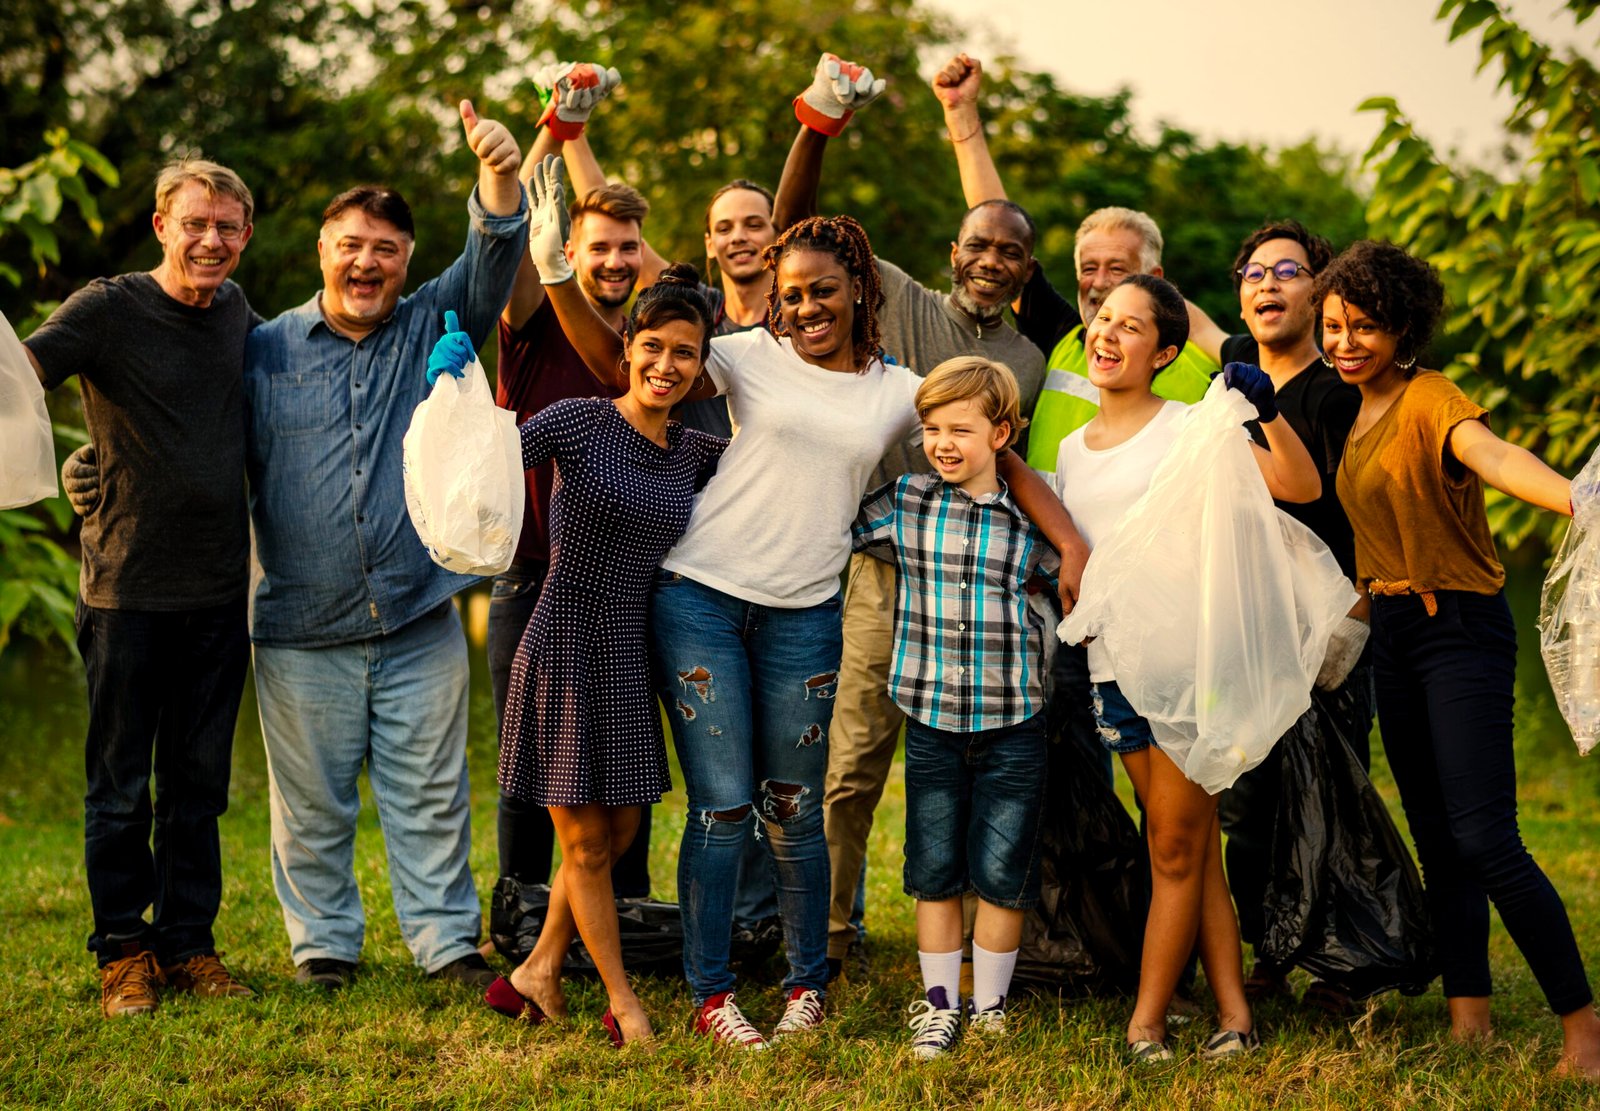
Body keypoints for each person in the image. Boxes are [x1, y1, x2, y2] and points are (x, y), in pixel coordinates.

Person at [522, 149, 1085, 1048]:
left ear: (860, 288)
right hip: (700, 597)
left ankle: (804, 983)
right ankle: (712, 995)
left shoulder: (901, 392)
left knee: (794, 806)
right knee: (722, 808)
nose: (806, 308)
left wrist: (1070, 540)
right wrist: (559, 274)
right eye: (790, 293)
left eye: (824, 290)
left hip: (807, 611)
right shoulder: (746, 358)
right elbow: (632, 363)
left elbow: (993, 448)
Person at [771, 50, 1049, 978]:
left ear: (1024, 268)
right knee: (848, 766)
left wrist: (1071, 544)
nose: (991, 260)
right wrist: (818, 122)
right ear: (955, 253)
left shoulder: (1034, 353)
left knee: (972, 777)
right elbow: (792, 233)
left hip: (978, 586)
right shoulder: (901, 301)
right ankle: (830, 937)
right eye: (978, 244)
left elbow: (1016, 468)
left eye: (1010, 249)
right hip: (886, 574)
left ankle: (976, 951)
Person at [243, 100, 527, 992]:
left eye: (387, 249)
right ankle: (323, 943)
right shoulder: (259, 349)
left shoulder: (433, 323)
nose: (367, 261)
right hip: (297, 621)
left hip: (417, 611)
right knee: (311, 804)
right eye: (351, 244)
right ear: (322, 249)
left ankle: (446, 941)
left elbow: (491, 253)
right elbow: (187, 438)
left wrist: (498, 170)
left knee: (432, 795)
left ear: (405, 263)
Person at [1322, 240, 1600, 1078]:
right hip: (1395, 632)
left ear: (1404, 327)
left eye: (1365, 326)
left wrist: (1580, 497)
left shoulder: (1430, 396)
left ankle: (1584, 1031)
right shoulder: (1352, 410)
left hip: (1460, 631)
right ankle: (1468, 1018)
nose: (1345, 342)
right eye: (1335, 325)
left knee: (1486, 837)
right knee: (1439, 838)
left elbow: (1496, 456)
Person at [429, 266, 726, 1047]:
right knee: (585, 843)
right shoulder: (574, 421)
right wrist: (455, 395)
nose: (666, 364)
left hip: (631, 649)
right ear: (626, 347)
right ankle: (624, 1003)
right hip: (560, 636)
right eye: (652, 345)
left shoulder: (698, 452)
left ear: (703, 364)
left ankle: (535, 971)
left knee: (621, 832)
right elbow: (478, 468)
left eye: (685, 353)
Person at [1053, 273, 1319, 1061]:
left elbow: (1299, 487)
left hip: (1188, 671)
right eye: (1104, 319)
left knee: (1171, 847)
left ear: (1165, 352)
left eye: (1132, 327)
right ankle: (1234, 1011)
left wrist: (1264, 409)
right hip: (1113, 673)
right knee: (1187, 845)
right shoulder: (1069, 448)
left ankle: (1146, 1021)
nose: (1109, 334)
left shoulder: (1188, 427)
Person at [23, 157, 259, 1017]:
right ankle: (123, 950)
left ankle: (188, 944)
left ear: (244, 236)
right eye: (195, 223)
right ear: (162, 224)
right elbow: (19, 377)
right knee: (120, 785)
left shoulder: (236, 312)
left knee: (197, 785)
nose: (211, 240)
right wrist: (62, 461)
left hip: (219, 592)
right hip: (124, 589)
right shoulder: (109, 306)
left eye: (227, 227)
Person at [1189, 220, 1375, 1007]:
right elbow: (1194, 329)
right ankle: (1270, 951)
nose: (1267, 284)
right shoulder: (1230, 376)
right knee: (1249, 802)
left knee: (1331, 795)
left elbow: (1350, 505)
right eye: (1254, 272)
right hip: (1243, 618)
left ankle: (1340, 963)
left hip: (1322, 622)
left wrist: (1357, 618)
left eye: (1289, 271)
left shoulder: (1337, 392)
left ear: (1321, 291)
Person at [852, 356, 1056, 1059]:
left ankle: (991, 1006)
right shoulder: (905, 500)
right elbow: (833, 524)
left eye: (960, 429)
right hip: (932, 717)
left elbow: (1069, 581)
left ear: (1001, 433)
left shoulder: (1031, 518)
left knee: (1004, 871)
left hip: (1014, 719)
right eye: (932, 427)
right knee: (933, 866)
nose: (942, 442)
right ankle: (939, 1006)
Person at [489, 67, 654, 910]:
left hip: (629, 583)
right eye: (601, 248)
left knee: (627, 759)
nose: (616, 261)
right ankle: (519, 914)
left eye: (629, 248)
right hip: (535, 574)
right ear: (571, 251)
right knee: (530, 758)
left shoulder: (652, 341)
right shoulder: (533, 312)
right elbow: (517, 227)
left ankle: (627, 912)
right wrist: (556, 126)